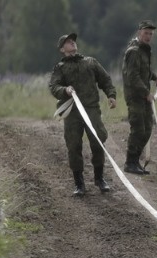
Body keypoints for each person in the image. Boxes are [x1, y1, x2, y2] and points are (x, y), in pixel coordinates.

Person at [48, 32, 117, 196]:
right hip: (72, 112)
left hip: (91, 108)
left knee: (98, 140)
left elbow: (105, 80)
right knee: (73, 146)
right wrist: (65, 89)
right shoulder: (60, 68)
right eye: (67, 42)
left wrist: (111, 95)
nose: (72, 43)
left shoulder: (90, 62)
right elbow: (54, 87)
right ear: (62, 49)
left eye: (73, 41)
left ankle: (100, 179)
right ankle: (79, 184)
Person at [121, 19, 157, 175]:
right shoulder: (134, 51)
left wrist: (155, 78)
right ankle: (130, 162)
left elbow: (145, 70)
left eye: (151, 34)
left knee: (147, 130)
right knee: (138, 129)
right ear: (139, 33)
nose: (149, 36)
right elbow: (133, 76)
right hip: (135, 97)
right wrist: (146, 93)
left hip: (144, 97)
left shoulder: (145, 50)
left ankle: (135, 161)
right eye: (146, 33)